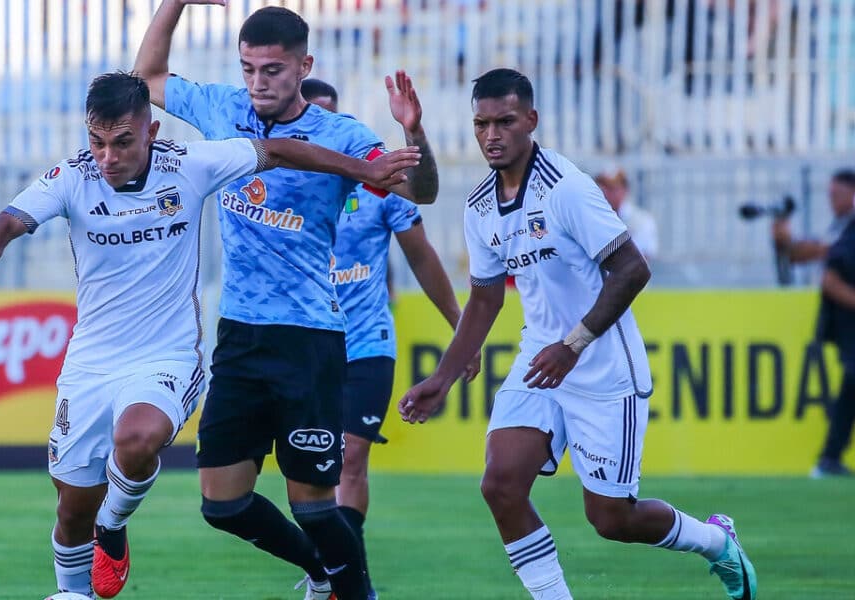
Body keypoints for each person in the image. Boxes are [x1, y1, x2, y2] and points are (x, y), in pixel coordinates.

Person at [0, 71, 420, 600]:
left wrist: (364, 169)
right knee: (71, 509)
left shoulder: (190, 166)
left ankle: (113, 522)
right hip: (89, 363)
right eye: (97, 142)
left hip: (166, 356)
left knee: (137, 438)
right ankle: (77, 584)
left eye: (122, 142)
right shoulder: (71, 177)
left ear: (151, 132)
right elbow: (5, 223)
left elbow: (280, 150)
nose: (107, 157)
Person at [398, 68, 757, 600]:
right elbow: (485, 299)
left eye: (505, 122)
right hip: (540, 360)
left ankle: (716, 541)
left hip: (601, 364)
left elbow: (632, 269)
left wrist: (573, 345)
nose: (492, 135)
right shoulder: (480, 206)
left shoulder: (566, 189)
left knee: (611, 518)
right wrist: (443, 378)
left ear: (531, 120)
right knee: (500, 484)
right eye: (481, 124)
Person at [135, 4, 439, 599]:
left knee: (315, 506)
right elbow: (146, 78)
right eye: (248, 68)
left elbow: (419, 191)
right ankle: (321, 572)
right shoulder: (223, 108)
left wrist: (415, 136)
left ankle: (356, 592)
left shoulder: (343, 135)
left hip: (308, 338)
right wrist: (174, 3)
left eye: (272, 70)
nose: (258, 82)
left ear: (304, 66)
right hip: (239, 334)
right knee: (221, 503)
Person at [301, 77, 479, 597]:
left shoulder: (376, 180)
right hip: (305, 345)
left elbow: (421, 256)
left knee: (351, 460)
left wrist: (459, 327)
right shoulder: (284, 180)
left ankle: (348, 585)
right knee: (315, 471)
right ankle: (331, 571)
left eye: (331, 116)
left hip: (366, 342)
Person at [812, 169, 855, 478]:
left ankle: (830, 456)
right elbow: (829, 280)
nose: (832, 201)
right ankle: (830, 456)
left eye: (836, 195)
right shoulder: (842, 229)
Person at [773, 169, 855, 265]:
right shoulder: (840, 223)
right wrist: (783, 239)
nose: (831, 200)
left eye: (836, 195)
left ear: (852, 192)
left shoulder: (850, 226)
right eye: (830, 195)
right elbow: (796, 255)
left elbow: (826, 249)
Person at [595, 167, 659, 261]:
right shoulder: (596, 218)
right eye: (603, 187)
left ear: (625, 189)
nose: (605, 193)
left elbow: (644, 257)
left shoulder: (642, 221)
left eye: (611, 188)